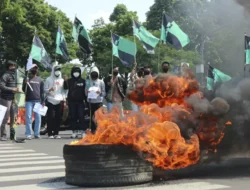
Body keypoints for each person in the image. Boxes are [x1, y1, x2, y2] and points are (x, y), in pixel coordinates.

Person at [22, 65, 44, 140]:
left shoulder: (40, 80)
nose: (34, 69)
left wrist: (43, 101)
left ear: (37, 70)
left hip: (38, 101)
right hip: (29, 101)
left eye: (36, 68)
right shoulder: (27, 79)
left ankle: (36, 134)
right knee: (28, 117)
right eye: (33, 68)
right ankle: (28, 134)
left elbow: (42, 92)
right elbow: (23, 89)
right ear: (30, 69)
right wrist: (25, 83)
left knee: (38, 118)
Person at [64, 66, 86, 138]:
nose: (76, 73)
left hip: (80, 102)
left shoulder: (83, 81)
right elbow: (65, 88)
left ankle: (83, 131)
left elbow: (85, 91)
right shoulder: (69, 81)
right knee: (73, 116)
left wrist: (86, 101)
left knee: (81, 116)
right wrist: (65, 81)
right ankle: (74, 131)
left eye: (77, 72)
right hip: (71, 102)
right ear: (72, 72)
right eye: (74, 72)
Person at [44, 65, 65, 139]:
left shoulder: (62, 80)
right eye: (56, 70)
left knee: (58, 117)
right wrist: (50, 89)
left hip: (59, 100)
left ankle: (56, 133)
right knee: (51, 117)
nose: (58, 71)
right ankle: (50, 133)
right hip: (50, 100)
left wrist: (64, 99)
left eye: (59, 69)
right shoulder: (48, 79)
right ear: (53, 70)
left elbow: (63, 91)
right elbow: (45, 90)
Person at [0, 61, 19, 141]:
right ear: (9, 66)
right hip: (5, 99)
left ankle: (12, 135)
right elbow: (1, 85)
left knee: (13, 117)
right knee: (5, 117)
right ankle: (2, 135)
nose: (14, 67)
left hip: (12, 98)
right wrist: (12, 89)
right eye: (12, 66)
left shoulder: (13, 75)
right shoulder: (5, 75)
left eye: (14, 66)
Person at [85, 66, 105, 133]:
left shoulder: (101, 82)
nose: (94, 75)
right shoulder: (88, 82)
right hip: (90, 102)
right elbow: (85, 92)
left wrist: (100, 92)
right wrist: (87, 92)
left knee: (98, 117)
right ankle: (93, 130)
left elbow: (104, 93)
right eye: (93, 73)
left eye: (95, 73)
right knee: (91, 117)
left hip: (98, 102)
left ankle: (99, 129)